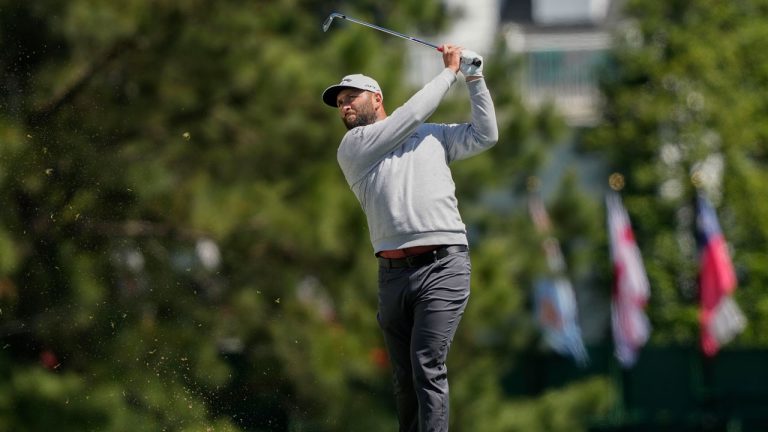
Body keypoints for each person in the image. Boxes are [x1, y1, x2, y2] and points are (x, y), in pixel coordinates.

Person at [322, 44, 498, 432]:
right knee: (404, 379)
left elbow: (486, 135)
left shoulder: (432, 137)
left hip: (444, 265)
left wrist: (474, 78)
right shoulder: (353, 148)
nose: (344, 106)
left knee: (426, 364)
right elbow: (412, 113)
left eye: (351, 97)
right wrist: (449, 72)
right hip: (392, 274)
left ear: (377, 98)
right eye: (339, 103)